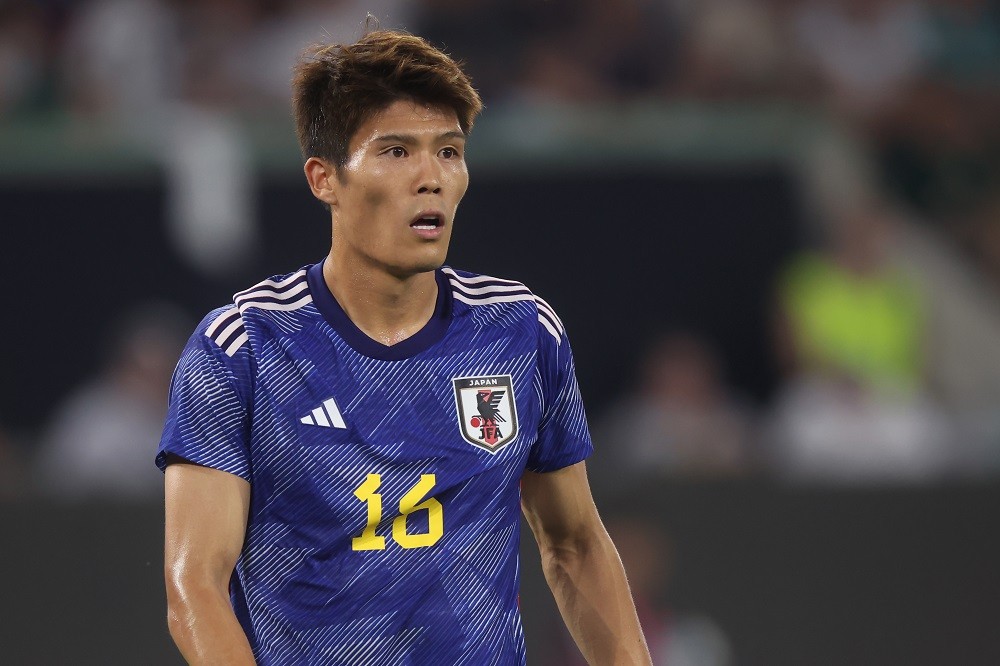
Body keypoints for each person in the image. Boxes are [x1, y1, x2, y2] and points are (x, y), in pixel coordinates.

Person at [158, 28, 652, 666]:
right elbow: (195, 584)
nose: (431, 178)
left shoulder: (520, 332)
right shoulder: (245, 347)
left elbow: (575, 545)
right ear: (324, 179)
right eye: (395, 151)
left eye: (449, 152)